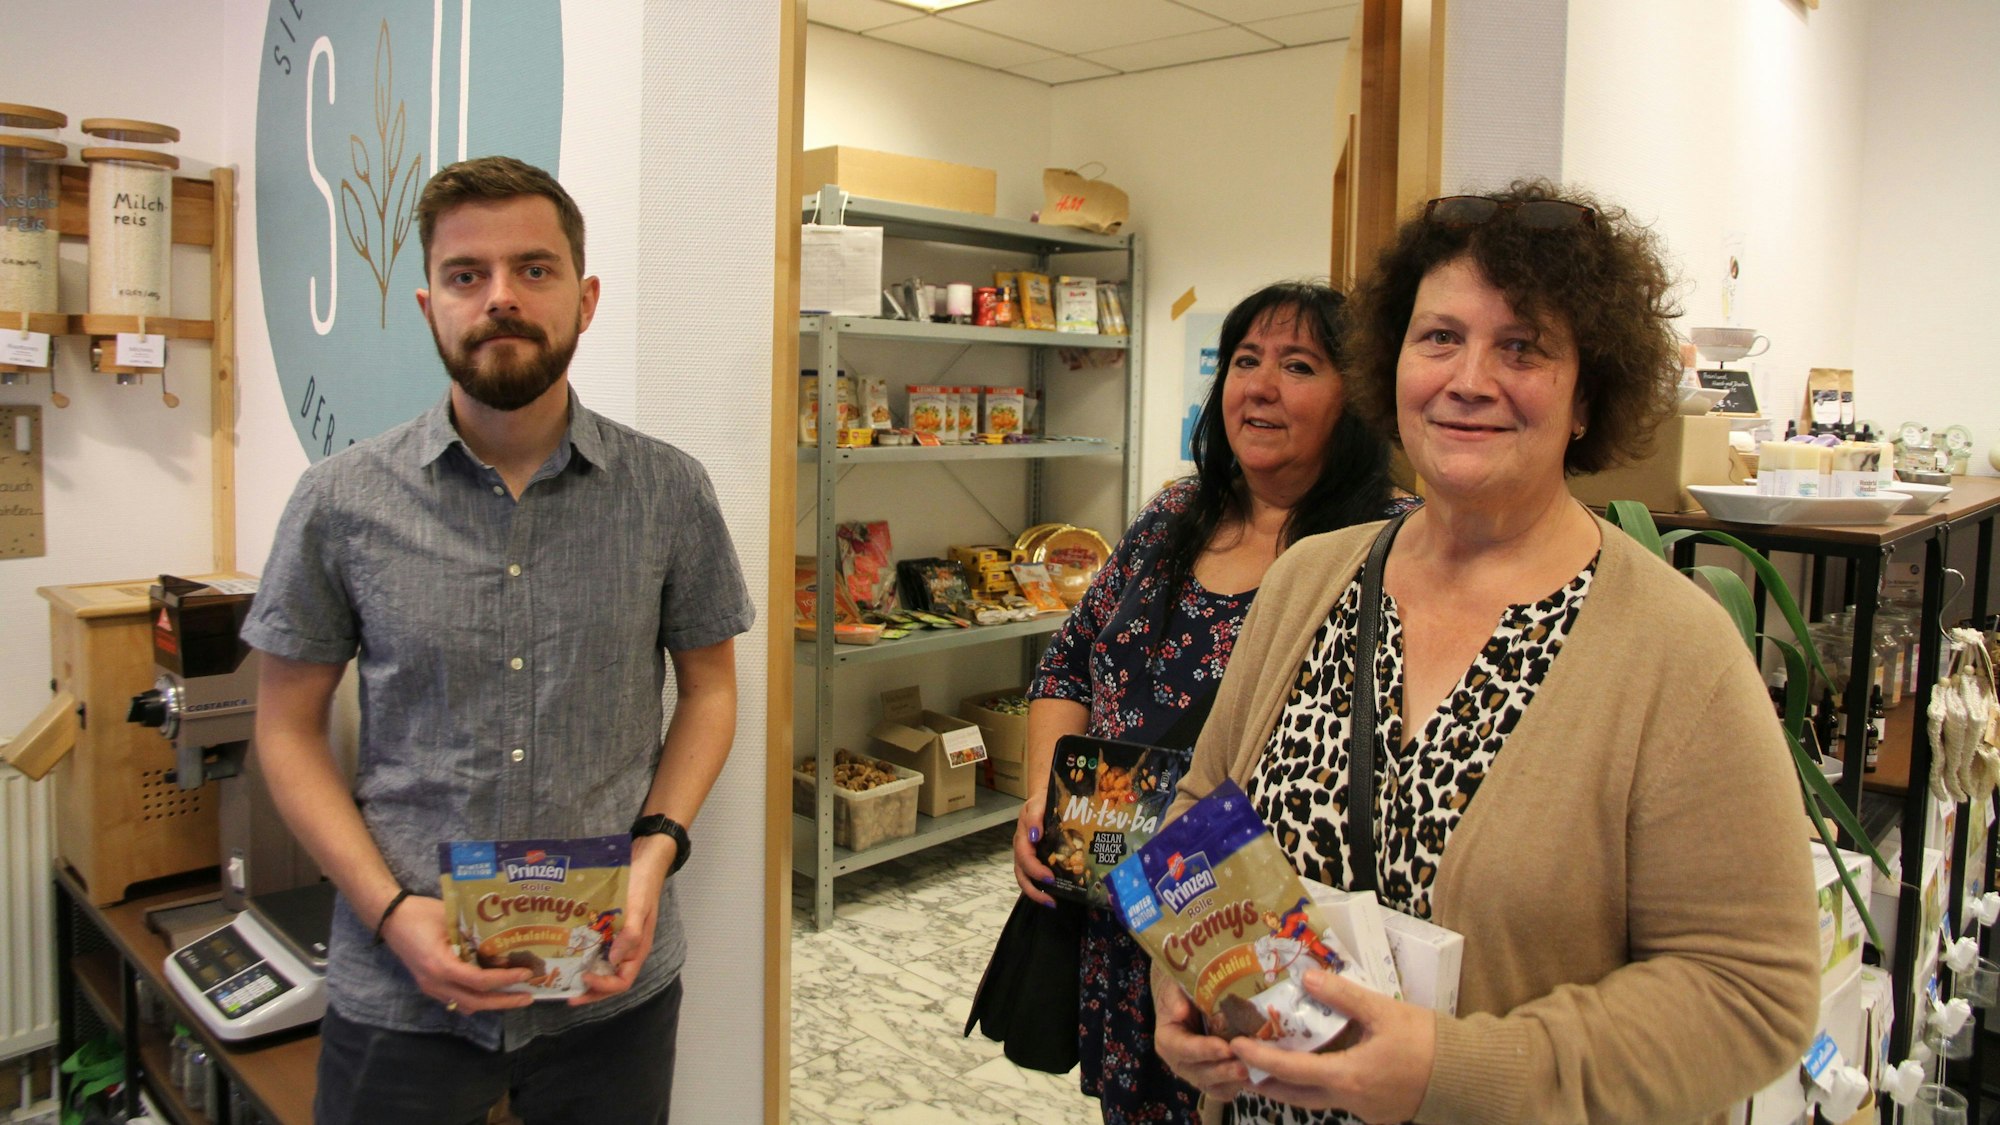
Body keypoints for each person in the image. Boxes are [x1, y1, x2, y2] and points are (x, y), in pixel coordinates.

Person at [1153, 182, 1820, 1125]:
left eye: (1522, 347)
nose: (1469, 379)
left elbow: (1751, 992)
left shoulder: (1678, 650)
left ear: (1585, 397)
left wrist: (1451, 1069)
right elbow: (1200, 818)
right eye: (1439, 338)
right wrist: (1187, 977)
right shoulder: (1308, 581)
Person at [242, 156, 754, 1125]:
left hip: (609, 987)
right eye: (467, 275)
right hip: (401, 990)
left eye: (534, 269)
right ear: (429, 304)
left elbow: (711, 691)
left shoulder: (669, 492)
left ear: (585, 299)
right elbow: (286, 729)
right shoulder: (340, 502)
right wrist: (391, 912)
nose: (500, 298)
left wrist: (655, 852)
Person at [1010, 281, 1418, 1123]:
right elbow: (1069, 666)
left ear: (1355, 397)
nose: (1260, 387)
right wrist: (1042, 799)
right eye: (1245, 361)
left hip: (1253, 939)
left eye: (1298, 366)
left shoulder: (1390, 545)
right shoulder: (1173, 516)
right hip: (1120, 912)